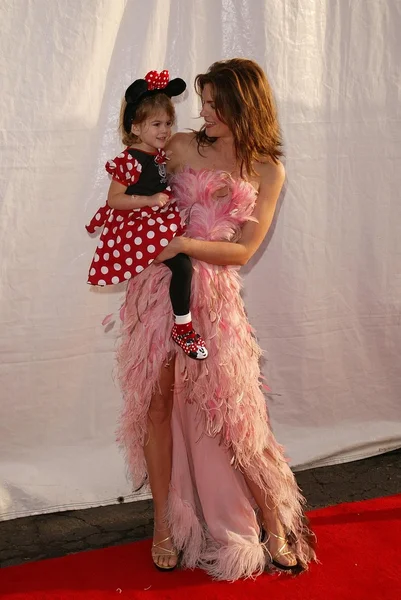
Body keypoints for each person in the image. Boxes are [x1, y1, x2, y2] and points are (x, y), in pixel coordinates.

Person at [116, 58, 316, 579]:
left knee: (235, 410)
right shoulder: (181, 147)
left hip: (215, 299)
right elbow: (130, 184)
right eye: (200, 102)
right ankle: (164, 523)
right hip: (161, 292)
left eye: (210, 103)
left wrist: (181, 242)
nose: (200, 113)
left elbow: (245, 249)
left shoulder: (268, 168)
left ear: (241, 106)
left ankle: (273, 520)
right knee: (157, 404)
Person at [86, 70, 208, 360]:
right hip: (136, 228)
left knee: (187, 266)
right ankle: (183, 327)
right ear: (136, 128)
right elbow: (114, 200)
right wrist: (150, 199)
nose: (165, 130)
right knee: (182, 267)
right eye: (156, 124)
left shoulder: (158, 156)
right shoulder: (129, 160)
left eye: (168, 122)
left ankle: (182, 324)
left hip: (156, 223)